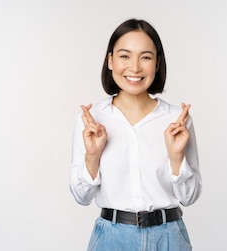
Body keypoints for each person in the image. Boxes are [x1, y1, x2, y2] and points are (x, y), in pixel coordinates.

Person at [69, 18, 202, 251]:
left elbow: (189, 197)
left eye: (146, 57)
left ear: (157, 63)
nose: (135, 67)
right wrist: (92, 156)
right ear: (110, 61)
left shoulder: (176, 120)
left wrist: (176, 157)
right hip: (111, 238)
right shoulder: (92, 119)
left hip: (169, 237)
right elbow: (82, 197)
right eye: (124, 56)